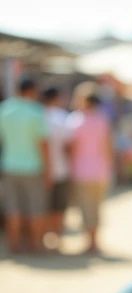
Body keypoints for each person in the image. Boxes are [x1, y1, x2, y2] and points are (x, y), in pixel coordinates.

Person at [0, 77, 50, 253]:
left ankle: (14, 245)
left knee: (12, 208)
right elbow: (43, 144)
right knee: (35, 208)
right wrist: (48, 170)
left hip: (8, 166)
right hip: (32, 167)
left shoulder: (5, 110)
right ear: (32, 91)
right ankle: (35, 244)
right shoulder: (36, 111)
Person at [67, 92, 114, 254]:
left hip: (81, 171)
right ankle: (95, 241)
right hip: (101, 171)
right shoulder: (102, 120)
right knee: (96, 207)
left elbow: (72, 148)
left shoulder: (75, 120)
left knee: (85, 207)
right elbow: (108, 146)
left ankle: (90, 242)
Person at [42, 86, 72, 247]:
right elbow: (69, 146)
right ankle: (57, 239)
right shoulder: (63, 118)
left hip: (40, 171)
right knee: (59, 207)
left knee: (44, 207)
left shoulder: (39, 116)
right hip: (62, 169)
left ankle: (46, 239)